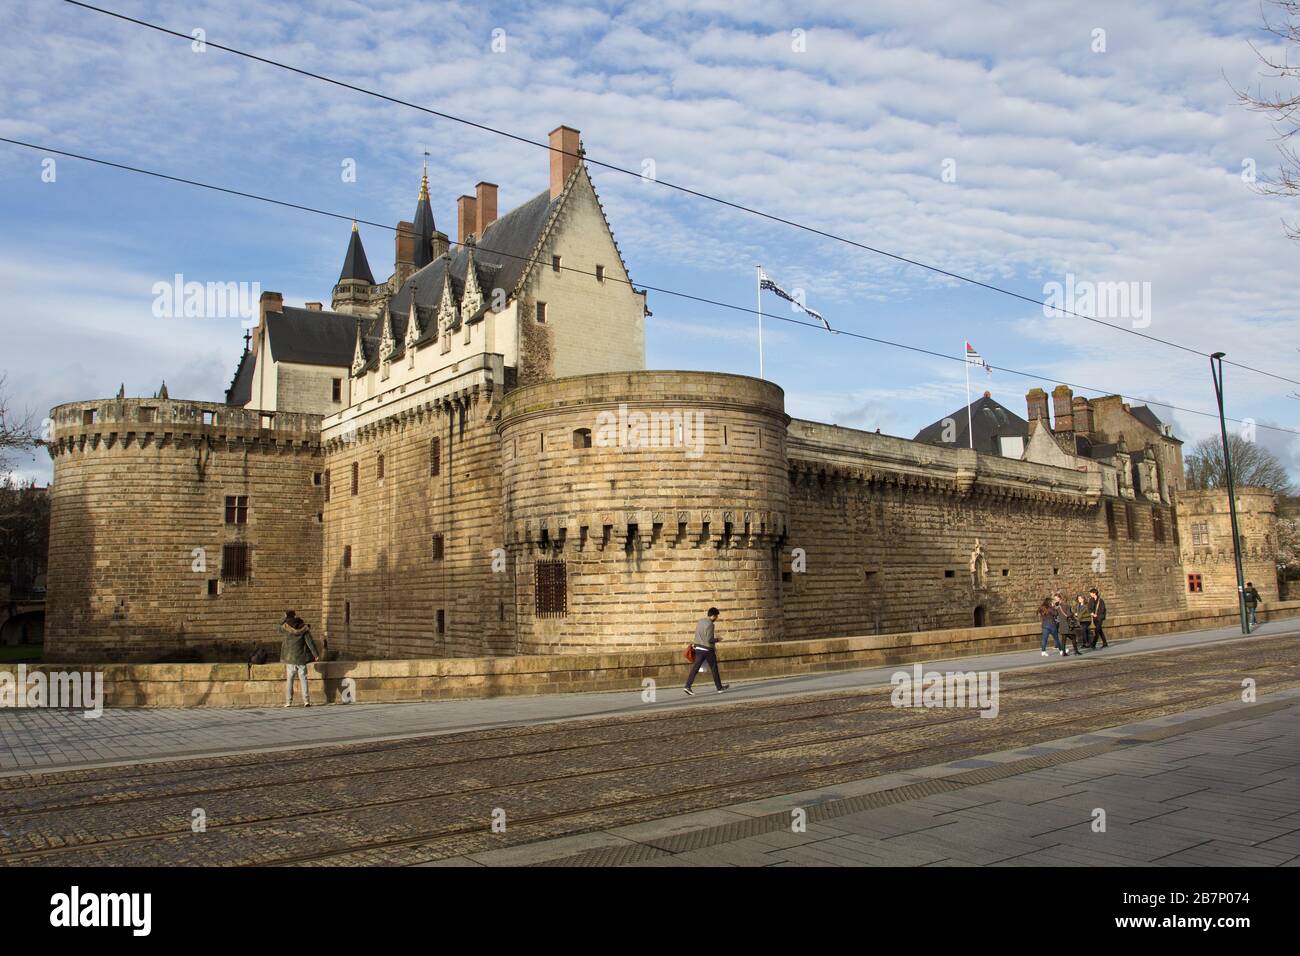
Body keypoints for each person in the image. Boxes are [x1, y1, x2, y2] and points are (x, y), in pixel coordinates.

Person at [685, 607, 729, 695]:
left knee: (695, 668)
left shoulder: (700, 621)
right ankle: (719, 688)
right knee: (714, 668)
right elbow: (709, 639)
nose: (717, 618)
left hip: (698, 648)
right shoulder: (711, 624)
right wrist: (717, 639)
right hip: (707, 650)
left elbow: (698, 634)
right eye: (716, 616)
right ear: (713, 616)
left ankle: (687, 686)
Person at [281, 612, 320, 707]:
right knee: (303, 679)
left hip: (290, 659)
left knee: (290, 680)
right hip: (301, 658)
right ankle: (306, 701)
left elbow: (276, 626)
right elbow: (310, 642)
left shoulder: (285, 628)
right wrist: (316, 654)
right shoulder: (304, 628)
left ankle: (288, 702)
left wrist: (284, 619)